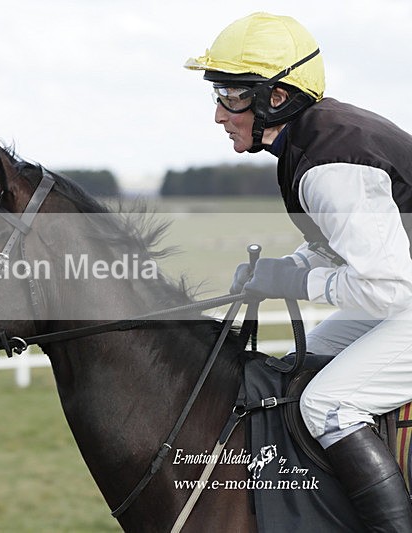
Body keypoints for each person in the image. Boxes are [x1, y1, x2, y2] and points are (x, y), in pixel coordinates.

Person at [185, 12, 412, 531]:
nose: (220, 114)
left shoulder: (331, 165)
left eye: (231, 96)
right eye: (218, 95)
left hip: (403, 292)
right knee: (300, 368)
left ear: (277, 98)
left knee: (328, 405)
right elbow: (344, 251)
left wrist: (294, 281)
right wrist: (282, 269)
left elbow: (387, 287)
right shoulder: (310, 143)